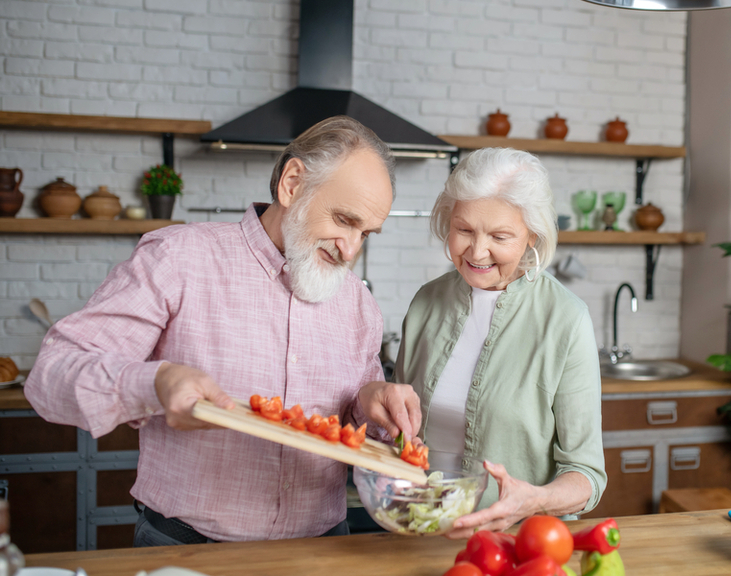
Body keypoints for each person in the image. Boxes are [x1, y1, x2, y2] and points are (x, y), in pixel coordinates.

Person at [24, 116, 422, 546]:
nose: (351, 249)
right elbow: (51, 376)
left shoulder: (358, 302)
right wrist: (156, 383)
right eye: (343, 220)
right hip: (188, 548)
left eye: (366, 233)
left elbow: (355, 428)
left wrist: (371, 404)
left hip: (322, 549)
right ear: (292, 184)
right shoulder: (179, 258)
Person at [395, 147, 606, 539]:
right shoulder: (427, 302)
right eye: (464, 230)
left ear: (532, 237)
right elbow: (398, 431)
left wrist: (535, 499)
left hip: (517, 544)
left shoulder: (566, 318)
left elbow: (586, 474)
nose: (477, 251)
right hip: (420, 533)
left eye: (499, 236)